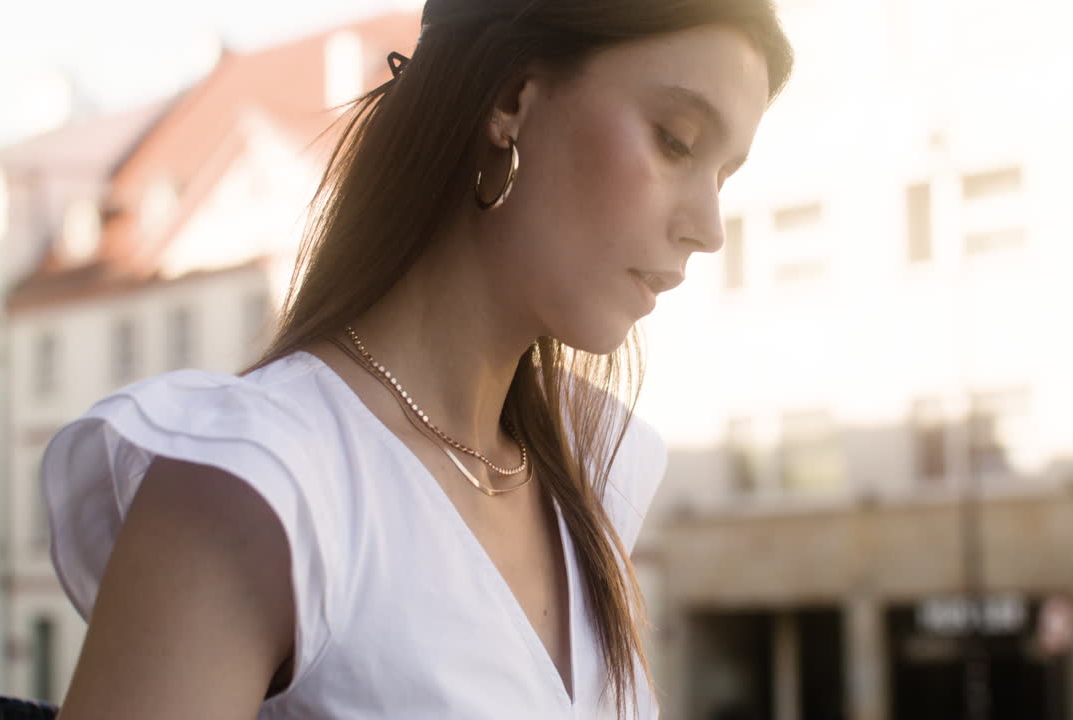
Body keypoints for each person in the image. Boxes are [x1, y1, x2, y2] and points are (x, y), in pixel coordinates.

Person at [39, 0, 792, 718]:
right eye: (677, 141)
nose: (708, 227)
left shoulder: (589, 485)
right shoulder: (261, 483)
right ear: (511, 99)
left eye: (724, 176)